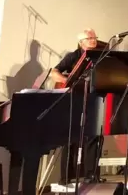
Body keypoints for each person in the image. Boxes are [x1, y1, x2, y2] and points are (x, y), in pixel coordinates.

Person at [50, 29, 101, 184]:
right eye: (89, 38)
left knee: (94, 135)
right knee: (71, 136)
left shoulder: (101, 56)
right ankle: (66, 176)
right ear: (81, 42)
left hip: (94, 99)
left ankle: (91, 174)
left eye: (95, 37)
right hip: (75, 99)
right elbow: (54, 72)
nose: (93, 40)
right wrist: (66, 81)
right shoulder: (73, 56)